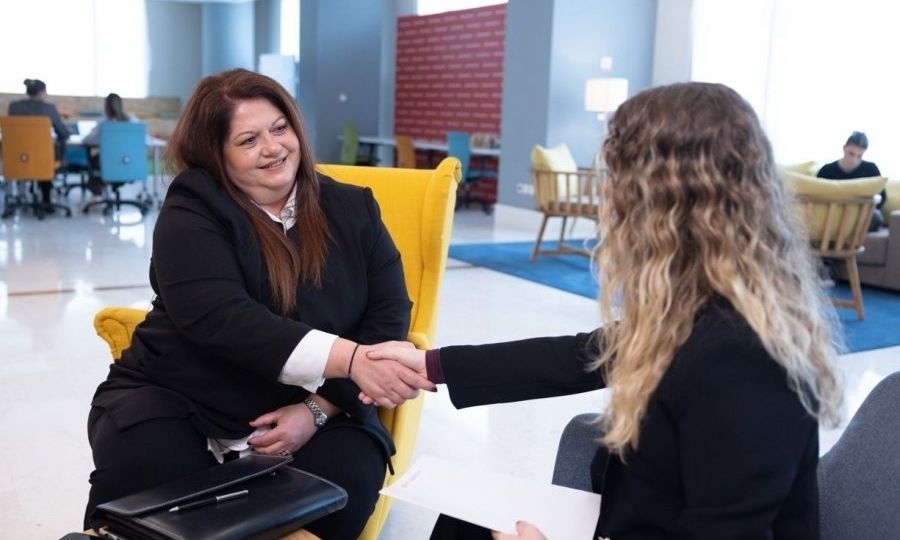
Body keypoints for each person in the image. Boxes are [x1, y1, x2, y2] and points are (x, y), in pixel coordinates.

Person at [367, 82, 843, 539]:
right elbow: (585, 354)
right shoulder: (701, 309)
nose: (606, 202)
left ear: (662, 207)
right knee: (464, 521)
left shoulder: (743, 357)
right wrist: (433, 365)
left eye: (616, 182)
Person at [84, 69, 433, 540]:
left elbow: (388, 315)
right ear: (217, 156)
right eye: (248, 140)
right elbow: (222, 318)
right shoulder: (191, 209)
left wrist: (318, 408)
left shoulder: (353, 208)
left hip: (316, 405)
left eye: (279, 128)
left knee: (336, 496)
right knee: (143, 501)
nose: (272, 148)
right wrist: (350, 359)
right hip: (177, 394)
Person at [7, 78, 71, 208]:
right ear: (42, 92)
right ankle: (46, 199)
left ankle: (19, 194)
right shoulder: (49, 109)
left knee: (34, 155)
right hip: (43, 158)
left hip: (18, 157)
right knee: (47, 153)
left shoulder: (13, 107)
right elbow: (62, 133)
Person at [817, 131, 884, 231]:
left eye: (859, 156)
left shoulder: (871, 169)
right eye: (851, 154)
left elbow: (882, 196)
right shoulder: (827, 170)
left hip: (860, 215)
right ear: (844, 148)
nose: (853, 160)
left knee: (876, 217)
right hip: (832, 214)